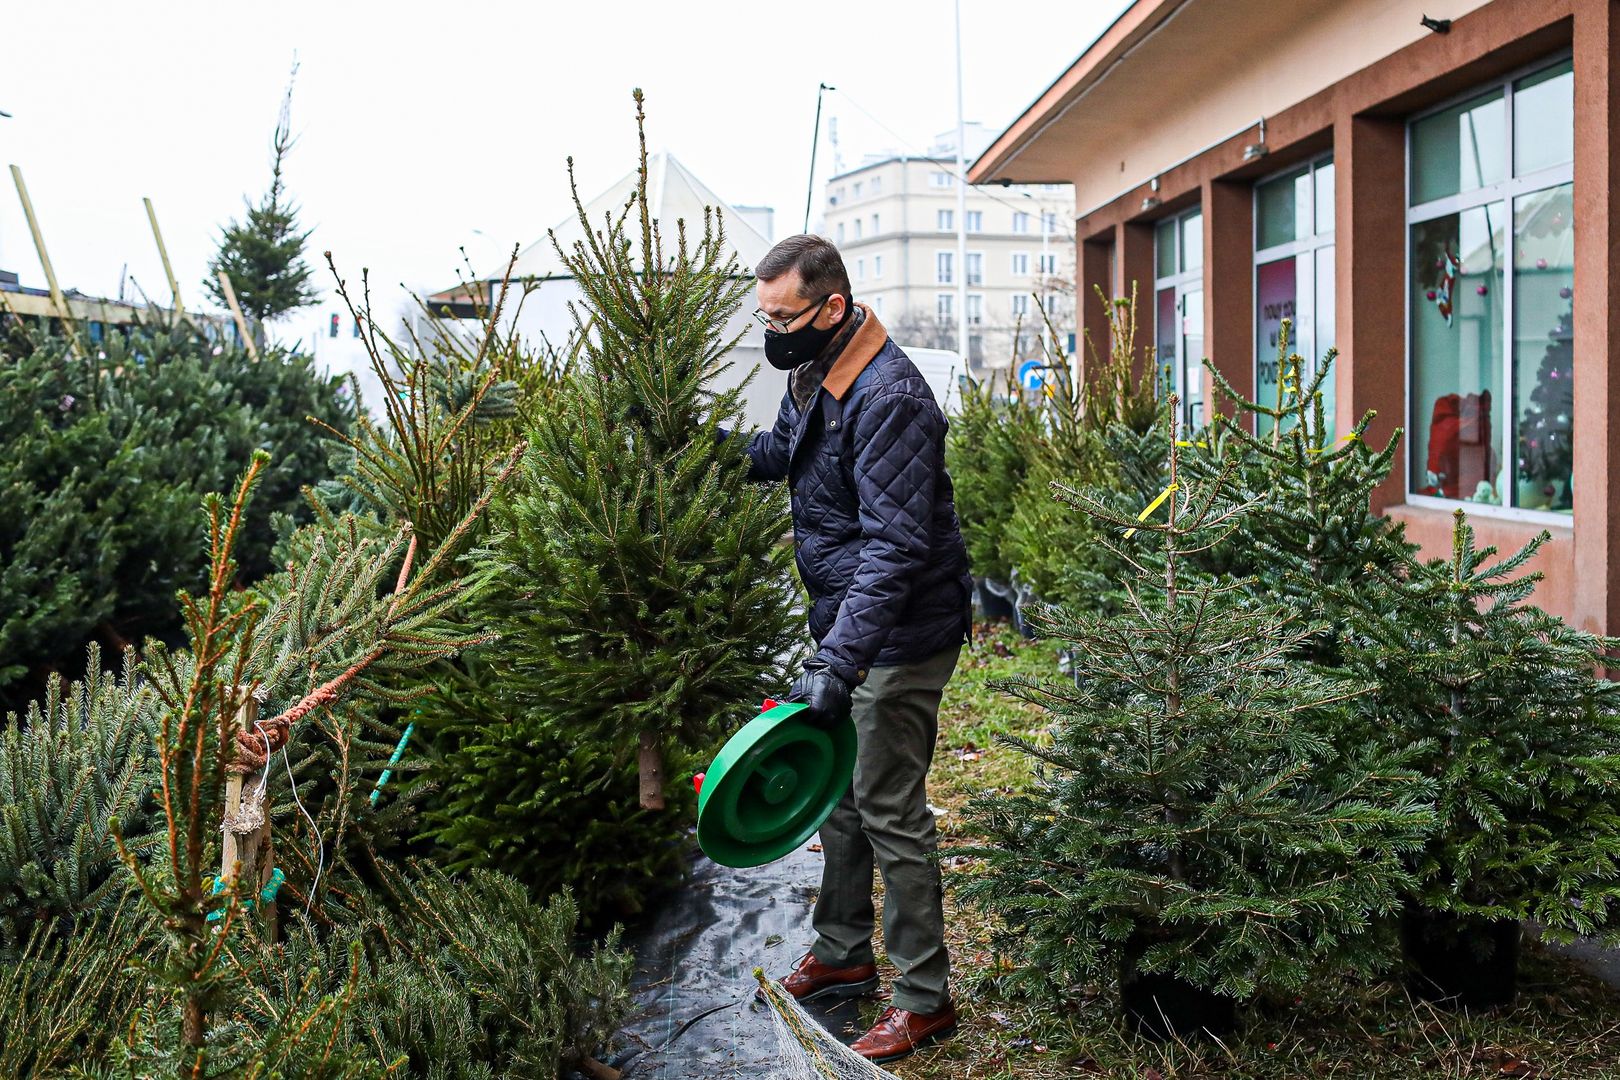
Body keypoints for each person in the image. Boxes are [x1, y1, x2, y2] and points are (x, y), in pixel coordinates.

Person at [743, 234, 972, 1065]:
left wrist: (839, 663)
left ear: (831, 307)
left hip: (902, 632)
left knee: (890, 807)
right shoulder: (814, 370)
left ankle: (923, 999)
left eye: (783, 316)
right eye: (762, 315)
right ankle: (843, 950)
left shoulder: (891, 397)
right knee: (839, 797)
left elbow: (895, 548)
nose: (773, 333)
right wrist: (704, 452)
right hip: (852, 621)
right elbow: (780, 453)